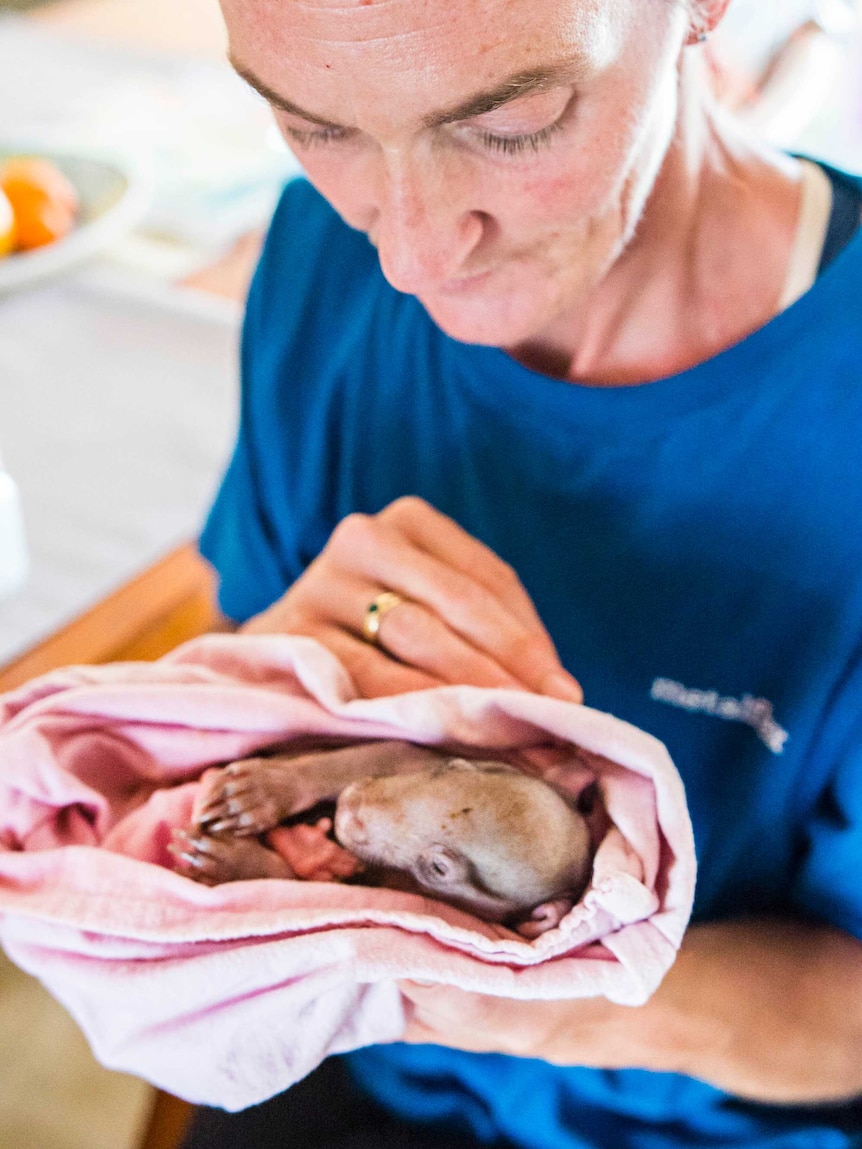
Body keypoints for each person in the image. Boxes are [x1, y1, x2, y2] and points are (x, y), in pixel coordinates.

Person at [180, 0, 862, 1145]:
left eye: (514, 122)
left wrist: (535, 998)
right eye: (313, 124)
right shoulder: (318, 258)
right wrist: (270, 679)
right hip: (364, 1059)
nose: (407, 254)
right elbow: (223, 746)